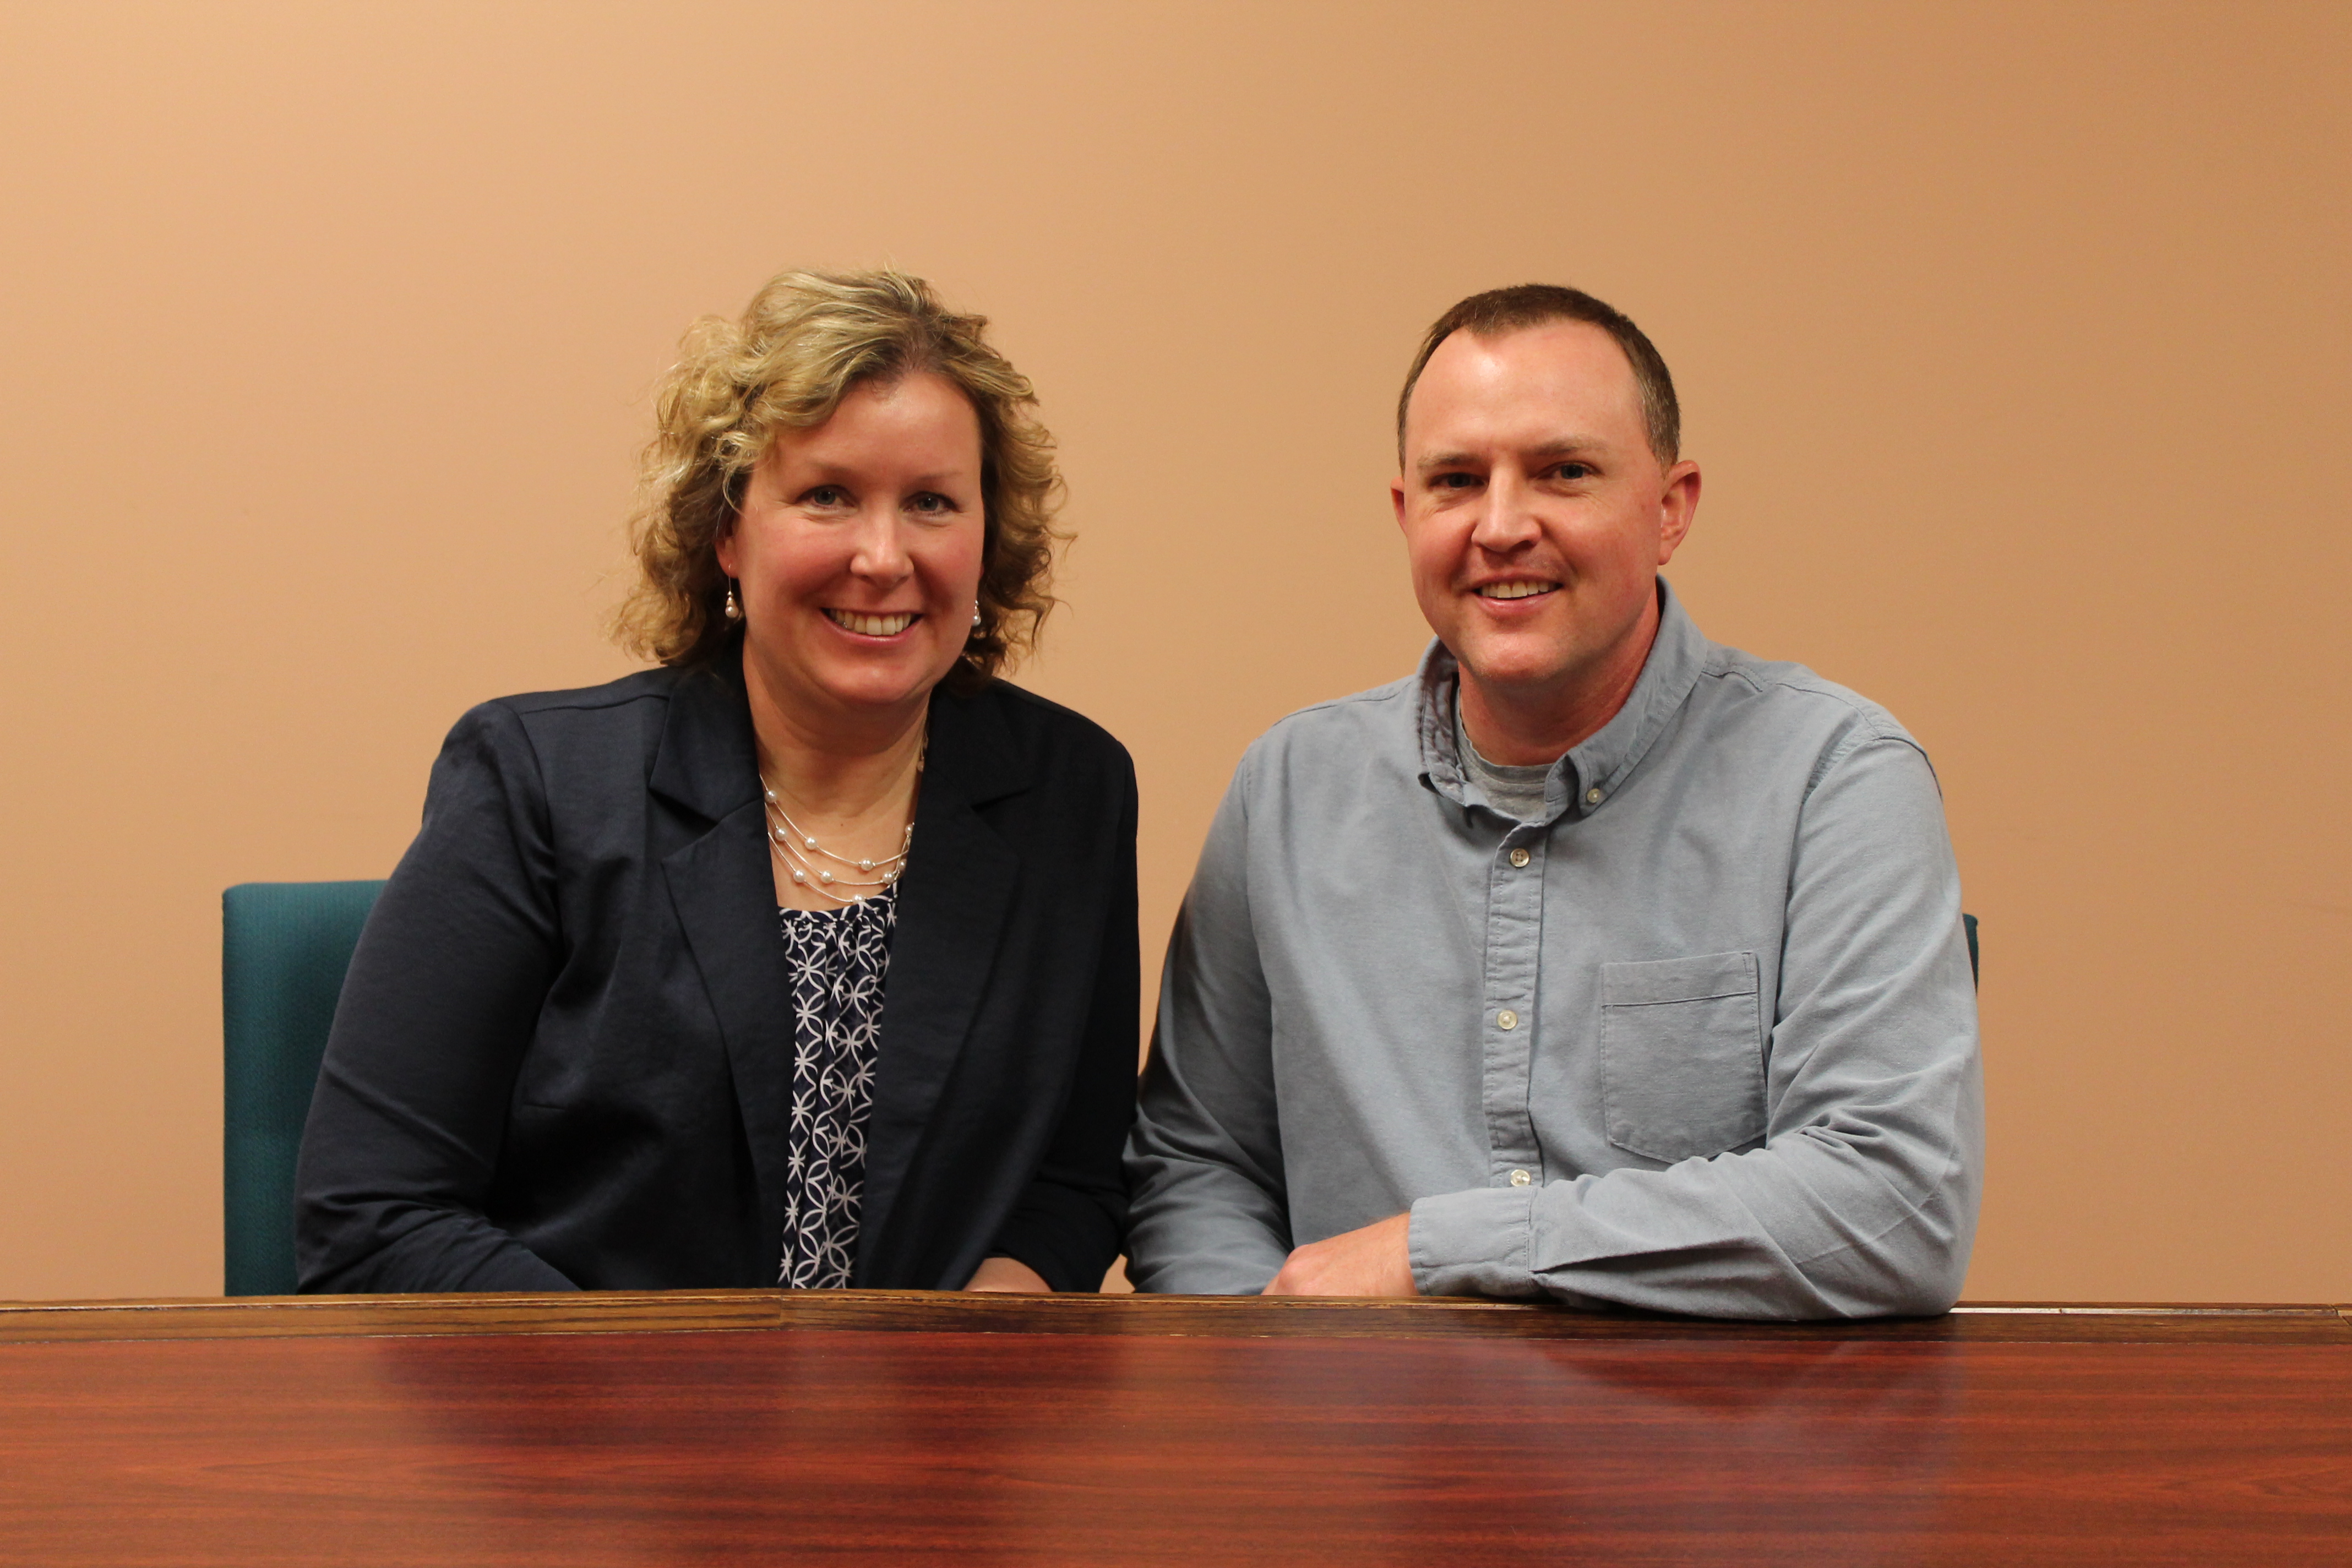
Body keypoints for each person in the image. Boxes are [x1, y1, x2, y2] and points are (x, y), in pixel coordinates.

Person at [1125, 285, 1982, 1318]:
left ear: (1671, 509)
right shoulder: (1288, 791)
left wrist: (1436, 1252)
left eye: (1564, 472)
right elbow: (1195, 1163)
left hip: (1711, 1425)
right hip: (1357, 1419)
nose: (1500, 526)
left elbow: (1891, 1203)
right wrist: (1268, 1356)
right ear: (1405, 513)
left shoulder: (1833, 780)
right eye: (1455, 481)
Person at [297, 270, 1138, 1294]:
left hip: (927, 1394)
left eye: (931, 502)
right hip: (582, 1387)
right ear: (728, 531)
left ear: (987, 536)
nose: (883, 557)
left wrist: (992, 1321)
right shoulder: (540, 784)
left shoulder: (1070, 792)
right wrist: (653, 1383)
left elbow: (1074, 1177)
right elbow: (373, 1214)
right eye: (827, 496)